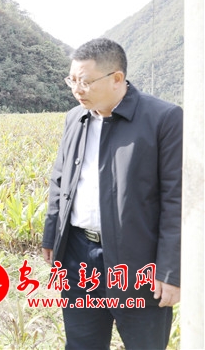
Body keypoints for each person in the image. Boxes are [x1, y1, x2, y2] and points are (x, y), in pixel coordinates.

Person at [42, 38, 182, 349]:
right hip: (78, 256)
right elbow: (60, 181)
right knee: (81, 343)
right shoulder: (75, 118)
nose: (77, 89)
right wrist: (52, 236)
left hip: (139, 260)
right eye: (72, 80)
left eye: (85, 81)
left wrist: (171, 270)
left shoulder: (163, 119)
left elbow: (176, 201)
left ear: (117, 78)